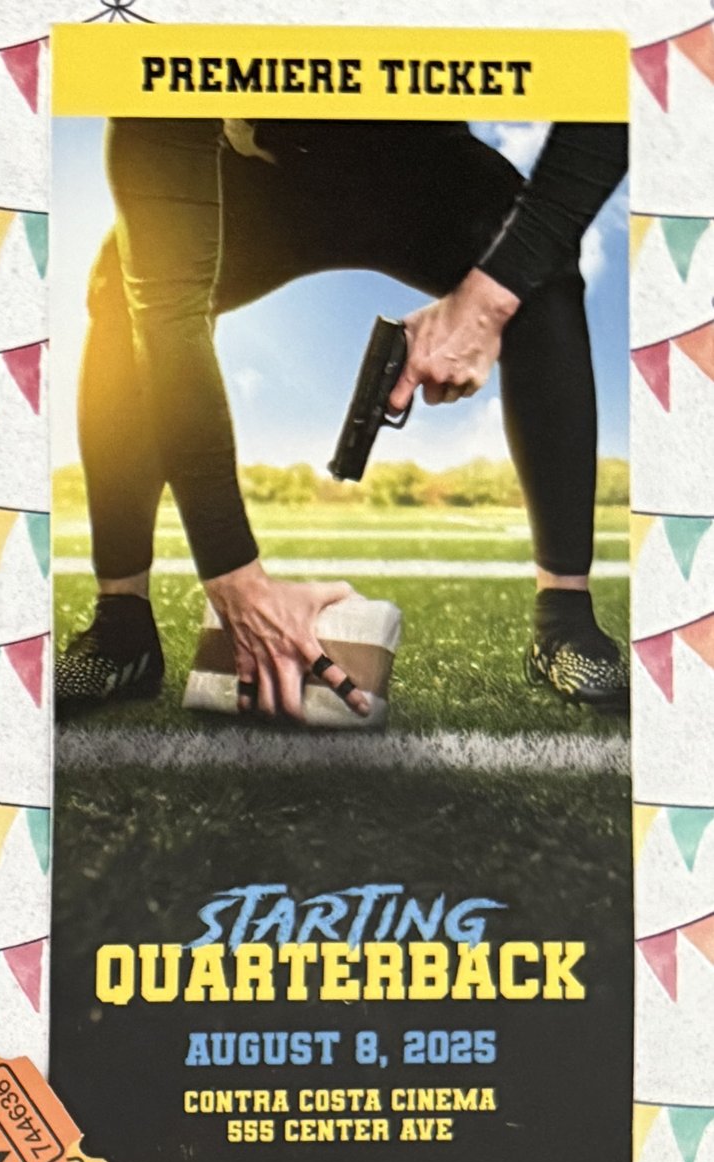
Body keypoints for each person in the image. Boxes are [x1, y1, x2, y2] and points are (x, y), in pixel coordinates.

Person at [59, 118, 628, 718]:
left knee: (541, 271)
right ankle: (121, 624)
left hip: (422, 163)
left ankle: (564, 620)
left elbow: (609, 103)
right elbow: (166, 312)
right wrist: (234, 574)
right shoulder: (160, 62)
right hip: (261, 170)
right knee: (122, 287)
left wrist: (491, 299)